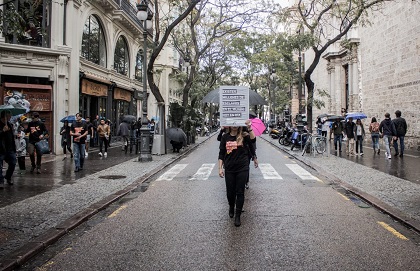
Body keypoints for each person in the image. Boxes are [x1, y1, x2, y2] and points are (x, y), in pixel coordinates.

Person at [218, 125, 258, 227]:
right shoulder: (225, 137)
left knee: (240, 192)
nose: (235, 125)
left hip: (242, 167)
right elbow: (221, 153)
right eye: (233, 124)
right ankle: (231, 206)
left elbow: (253, 141)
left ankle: (238, 215)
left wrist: (249, 127)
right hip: (230, 168)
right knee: (230, 192)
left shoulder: (245, 136)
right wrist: (220, 168)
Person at [0, 110, 17, 188]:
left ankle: (8, 176)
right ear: (4, 117)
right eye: (9, 116)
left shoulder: (10, 125)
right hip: (1, 149)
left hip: (10, 149)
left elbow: (11, 137)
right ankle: (1, 181)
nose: (10, 117)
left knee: (13, 163)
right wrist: (3, 131)